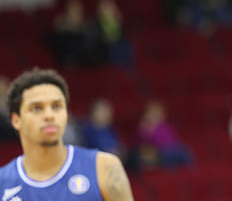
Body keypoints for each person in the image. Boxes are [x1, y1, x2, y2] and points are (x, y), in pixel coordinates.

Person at [0, 68, 133, 200]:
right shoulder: (3, 182)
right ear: (16, 120)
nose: (49, 115)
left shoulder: (104, 166)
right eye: (37, 108)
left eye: (57, 106)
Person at [136, 100, 193, 169]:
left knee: (183, 150)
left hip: (172, 146)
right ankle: (171, 167)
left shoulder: (165, 125)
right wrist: (147, 128)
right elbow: (143, 140)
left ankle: (189, 166)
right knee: (167, 156)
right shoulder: (146, 126)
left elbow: (174, 136)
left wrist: (176, 144)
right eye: (152, 114)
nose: (156, 116)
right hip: (159, 150)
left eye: (158, 114)